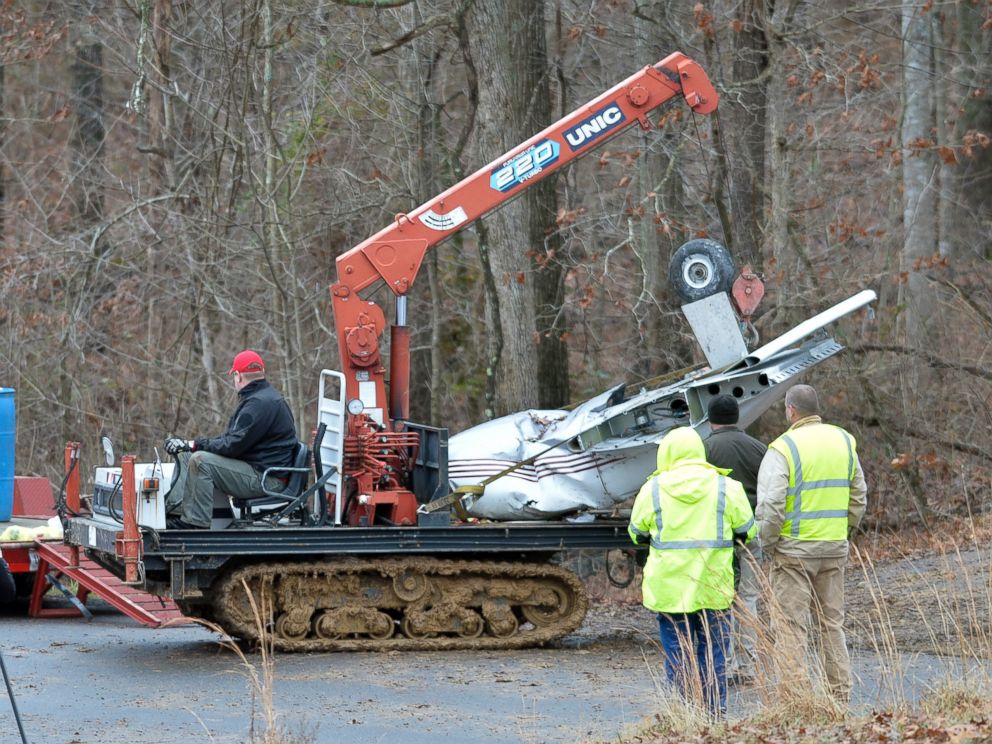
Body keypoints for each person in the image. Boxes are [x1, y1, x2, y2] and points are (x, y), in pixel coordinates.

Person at [628, 427, 757, 717]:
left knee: (678, 649)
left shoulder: (653, 489)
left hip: (670, 589)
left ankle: (684, 712)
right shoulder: (727, 486)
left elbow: (636, 533)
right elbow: (748, 530)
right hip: (715, 586)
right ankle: (714, 712)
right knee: (714, 651)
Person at [755, 384, 867, 707]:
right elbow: (859, 496)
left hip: (792, 554)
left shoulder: (783, 448)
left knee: (791, 628)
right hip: (833, 549)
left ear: (791, 410)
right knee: (832, 625)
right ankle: (839, 697)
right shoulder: (845, 442)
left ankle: (795, 701)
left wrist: (769, 544)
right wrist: (844, 531)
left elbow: (772, 505)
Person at [164, 350, 298, 529]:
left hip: (266, 479)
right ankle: (177, 514)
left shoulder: (258, 405)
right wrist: (189, 446)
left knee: (200, 461)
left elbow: (232, 447)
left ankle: (195, 524)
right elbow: (233, 440)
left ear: (238, 376)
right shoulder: (262, 398)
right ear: (262, 373)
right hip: (259, 469)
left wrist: (196, 444)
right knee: (186, 454)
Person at [703, 394, 767, 685]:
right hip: (752, 531)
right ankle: (748, 666)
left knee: (720, 599)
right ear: (737, 417)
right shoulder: (759, 449)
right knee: (749, 597)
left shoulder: (704, 450)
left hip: (716, 534)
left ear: (710, 419)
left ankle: (724, 665)